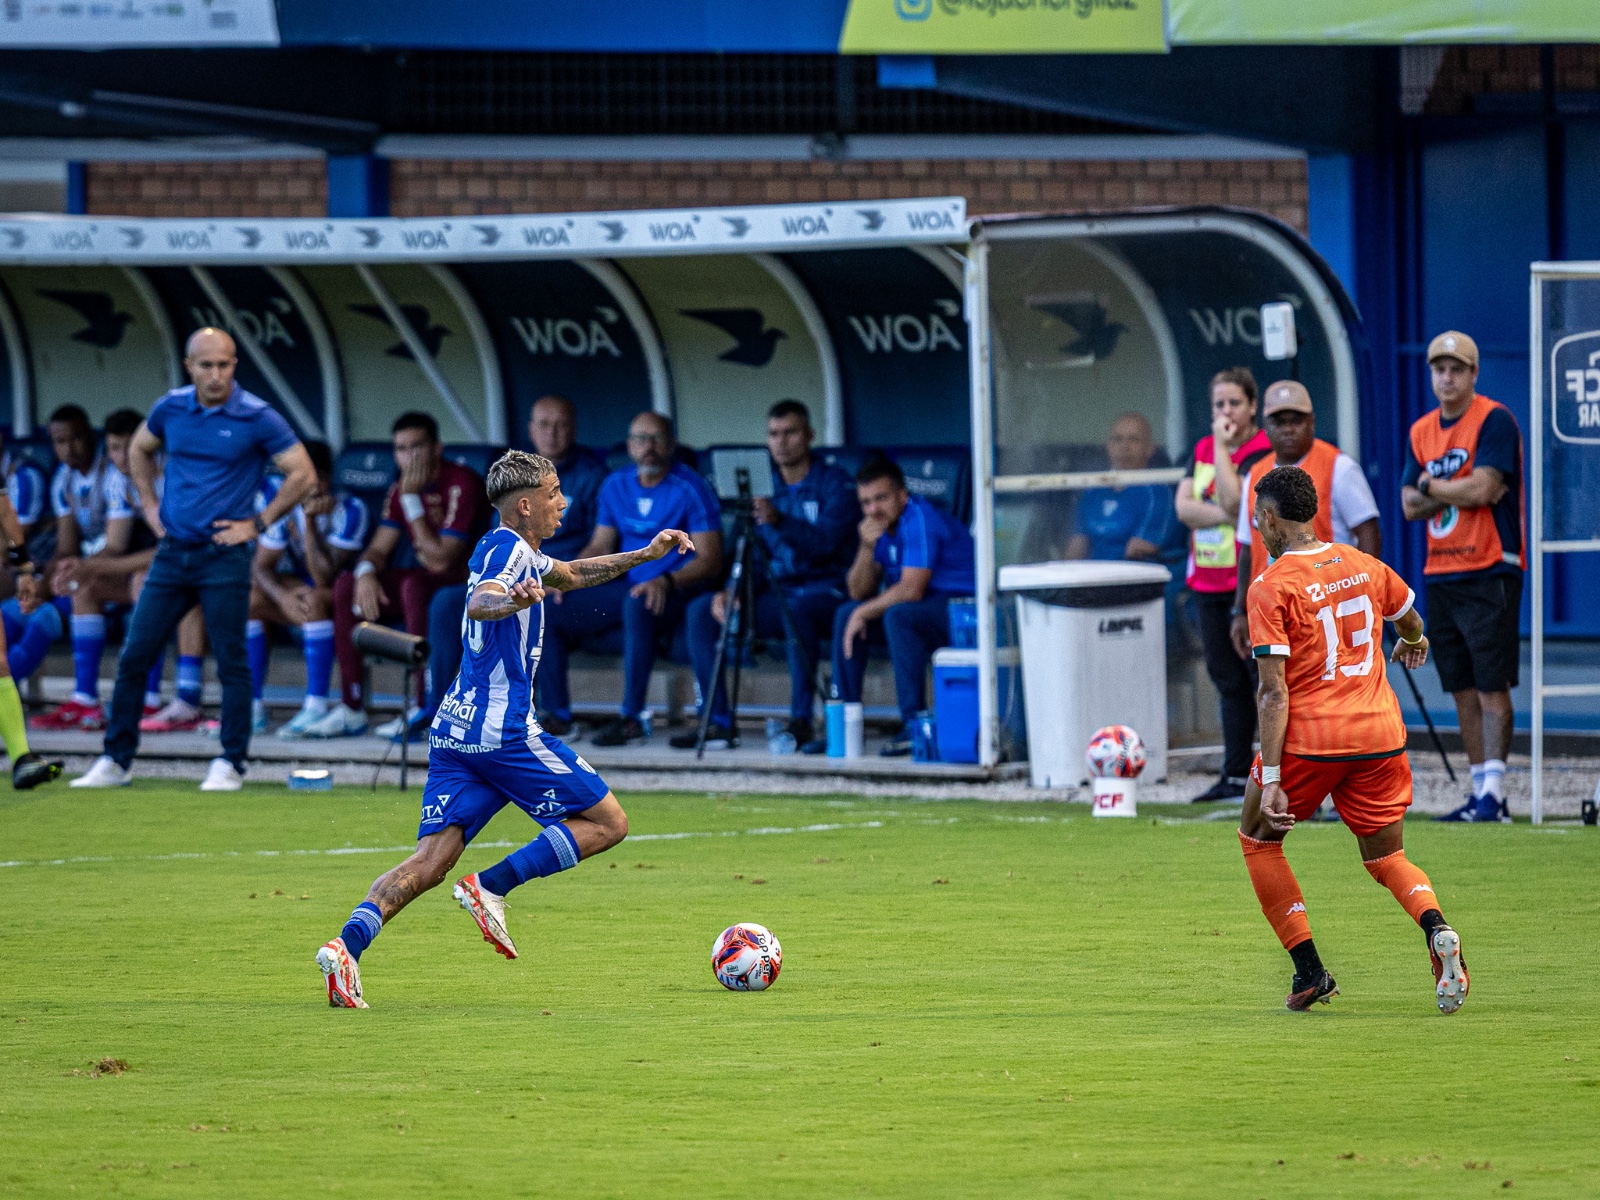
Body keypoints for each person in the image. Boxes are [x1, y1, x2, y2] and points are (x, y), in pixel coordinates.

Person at [313, 449, 695, 1008]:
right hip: (502, 733)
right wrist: (506, 601)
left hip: (456, 730)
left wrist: (645, 554)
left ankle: (346, 947)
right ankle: (491, 885)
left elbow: (571, 574)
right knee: (609, 823)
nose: (563, 502)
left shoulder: (510, 547)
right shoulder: (509, 552)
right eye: (553, 493)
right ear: (525, 506)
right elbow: (481, 601)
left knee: (430, 861)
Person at [1238, 465, 1468, 1016]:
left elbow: (1273, 692)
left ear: (1269, 518)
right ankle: (1436, 927)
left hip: (1313, 739)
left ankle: (1309, 970)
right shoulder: (1363, 564)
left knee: (1259, 839)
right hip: (1380, 734)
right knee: (1388, 857)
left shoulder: (1270, 586)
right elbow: (1410, 620)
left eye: (1258, 519)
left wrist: (1274, 777)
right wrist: (1414, 641)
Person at [69, 327, 316, 792]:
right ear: (189, 367)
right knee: (135, 655)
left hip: (224, 554)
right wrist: (148, 504)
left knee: (230, 661)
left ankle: (230, 762)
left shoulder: (257, 415)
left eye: (224, 364)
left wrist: (257, 525)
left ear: (234, 365)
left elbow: (303, 474)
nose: (216, 374)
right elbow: (139, 448)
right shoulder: (171, 407)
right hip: (172, 552)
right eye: (207, 365)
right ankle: (115, 760)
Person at [674, 399, 859, 751]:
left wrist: (779, 520)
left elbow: (827, 544)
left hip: (827, 589)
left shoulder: (834, 483)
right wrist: (733, 589)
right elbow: (751, 551)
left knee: (799, 610)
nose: (781, 442)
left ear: (809, 435)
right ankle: (717, 722)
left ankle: (802, 720)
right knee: (702, 611)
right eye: (774, 434)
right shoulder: (763, 485)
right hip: (778, 590)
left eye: (790, 432)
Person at [1401, 332, 1525, 824]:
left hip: (1491, 565)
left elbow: (1485, 489)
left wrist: (1431, 484)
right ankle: (1479, 793)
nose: (1447, 377)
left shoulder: (1494, 419)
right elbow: (1409, 505)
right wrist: (1451, 487)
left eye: (1457, 369)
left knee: (1492, 683)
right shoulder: (1421, 430)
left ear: (1474, 373)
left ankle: (1494, 792)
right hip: (1441, 570)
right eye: (1439, 369)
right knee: (1460, 687)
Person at [313, 412, 490, 740]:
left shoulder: (461, 482)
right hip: (425, 581)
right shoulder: (401, 488)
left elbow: (441, 561)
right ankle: (352, 707)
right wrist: (366, 572)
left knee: (414, 585)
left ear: (437, 448)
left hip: (466, 583)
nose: (409, 456)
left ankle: (423, 705)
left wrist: (411, 499)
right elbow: (378, 549)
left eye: (416, 446)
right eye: (401, 449)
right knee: (347, 584)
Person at [29, 406, 186, 729]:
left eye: (130, 448)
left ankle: (148, 698)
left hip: (194, 572)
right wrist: (79, 569)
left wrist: (88, 566)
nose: (122, 457)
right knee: (84, 587)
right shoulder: (119, 480)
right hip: (153, 572)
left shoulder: (173, 476)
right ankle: (85, 699)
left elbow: (171, 551)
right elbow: (114, 546)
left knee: (143, 581)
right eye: (114, 448)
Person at [578, 412, 724, 748]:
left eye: (657, 438)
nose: (649, 447)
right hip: (630, 585)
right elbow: (601, 545)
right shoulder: (615, 484)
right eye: (640, 439)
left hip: (679, 588)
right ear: (629, 446)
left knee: (638, 602)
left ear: (672, 444)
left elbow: (711, 560)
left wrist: (666, 580)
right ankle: (552, 715)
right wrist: (568, 575)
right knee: (550, 603)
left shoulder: (691, 487)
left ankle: (631, 717)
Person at [832, 456, 976, 758]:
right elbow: (858, 590)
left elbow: (911, 589)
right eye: (866, 502)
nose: (874, 510)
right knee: (846, 613)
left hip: (962, 611)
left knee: (898, 615)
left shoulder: (919, 517)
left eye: (881, 498)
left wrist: (863, 611)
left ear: (902, 495)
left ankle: (913, 725)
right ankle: (846, 726)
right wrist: (866, 547)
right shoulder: (879, 528)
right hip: (922, 611)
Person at [1229, 380, 1381, 661]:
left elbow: (1369, 533)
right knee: (1272, 684)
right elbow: (1248, 550)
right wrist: (1240, 611)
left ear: (1312, 422)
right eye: (1279, 421)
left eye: (1296, 420)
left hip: (1326, 609)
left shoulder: (1339, 467)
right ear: (1265, 427)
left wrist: (1361, 595)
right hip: (1271, 611)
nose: (1288, 428)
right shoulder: (1255, 475)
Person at [1176, 369, 1273, 802]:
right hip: (1207, 581)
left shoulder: (1262, 450)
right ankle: (1234, 773)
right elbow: (1183, 508)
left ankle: (1274, 774)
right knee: (1225, 678)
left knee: (1260, 677)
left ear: (1252, 406)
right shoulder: (1199, 449)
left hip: (1247, 582)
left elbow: (1237, 501)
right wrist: (1225, 516)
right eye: (1219, 404)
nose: (1226, 412)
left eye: (1235, 403)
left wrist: (1221, 448)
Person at [249, 441, 371, 739]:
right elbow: (260, 566)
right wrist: (282, 597)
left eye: (309, 479)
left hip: (345, 599)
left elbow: (323, 578)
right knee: (249, 599)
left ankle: (315, 705)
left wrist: (309, 520)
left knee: (315, 598)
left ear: (325, 479)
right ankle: (251, 706)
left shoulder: (352, 509)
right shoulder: (280, 504)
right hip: (299, 594)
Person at [523, 393, 608, 735]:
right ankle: (438, 712)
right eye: (544, 424)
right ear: (531, 429)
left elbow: (600, 542)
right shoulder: (514, 475)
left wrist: (561, 575)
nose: (552, 433)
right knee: (448, 603)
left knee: (540, 609)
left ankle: (556, 716)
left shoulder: (592, 475)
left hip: (570, 579)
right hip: (521, 574)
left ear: (574, 429)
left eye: (560, 425)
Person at [1065, 412, 1173, 562]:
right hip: (1091, 574)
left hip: (1130, 574)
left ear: (1149, 449)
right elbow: (1077, 548)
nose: (1124, 446)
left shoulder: (1156, 493)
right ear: (1108, 446)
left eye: (1133, 440)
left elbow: (1136, 552)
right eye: (1117, 439)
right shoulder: (1093, 491)